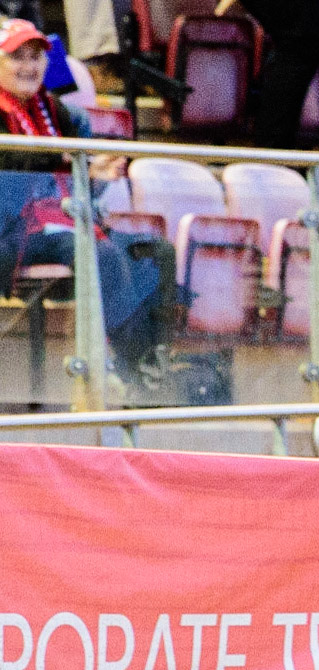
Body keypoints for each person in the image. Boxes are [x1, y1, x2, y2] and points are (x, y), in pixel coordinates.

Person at [0, 18, 176, 391]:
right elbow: (14, 165)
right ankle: (131, 373)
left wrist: (97, 175)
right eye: (18, 57)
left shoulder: (57, 112)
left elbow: (77, 184)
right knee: (102, 252)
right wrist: (71, 161)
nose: (30, 67)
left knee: (156, 251)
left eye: (36, 57)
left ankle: (154, 363)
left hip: (65, 221)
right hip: (13, 231)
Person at [238, 0, 319, 149]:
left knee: (273, 137)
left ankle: (273, 163)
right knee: (273, 134)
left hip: (299, 41)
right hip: (298, 41)